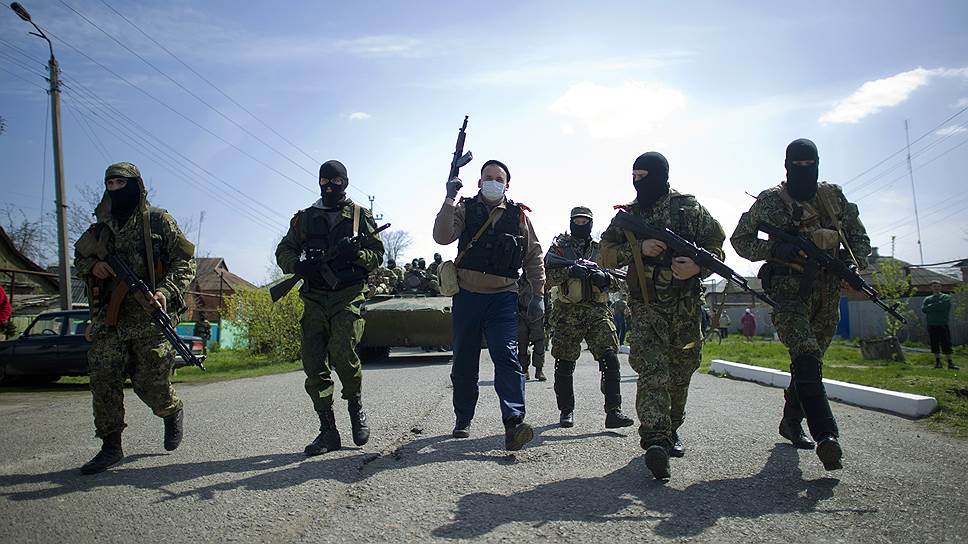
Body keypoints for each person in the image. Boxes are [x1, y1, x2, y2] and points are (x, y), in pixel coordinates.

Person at [731, 138, 871, 471]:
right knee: (806, 354)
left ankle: (791, 421)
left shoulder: (833, 198)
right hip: (788, 294)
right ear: (787, 166)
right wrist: (776, 251)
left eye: (810, 165)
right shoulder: (769, 202)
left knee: (808, 363)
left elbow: (859, 239)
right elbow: (740, 240)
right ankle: (827, 436)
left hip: (826, 294)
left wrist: (853, 266)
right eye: (798, 166)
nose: (804, 171)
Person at [599, 151, 725, 480]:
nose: (638, 181)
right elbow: (606, 254)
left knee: (681, 373)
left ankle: (671, 429)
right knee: (653, 371)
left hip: (685, 306)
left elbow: (717, 243)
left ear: (661, 175)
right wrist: (637, 250)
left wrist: (698, 265)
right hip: (646, 306)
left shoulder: (688, 208)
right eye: (634, 175)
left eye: (645, 175)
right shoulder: (629, 215)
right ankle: (655, 438)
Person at [73, 162, 197, 474]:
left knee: (148, 381)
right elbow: (79, 258)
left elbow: (186, 261)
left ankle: (170, 410)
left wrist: (166, 292)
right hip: (110, 318)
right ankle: (110, 446)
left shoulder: (157, 220)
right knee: (103, 376)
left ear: (135, 185)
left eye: (120, 183)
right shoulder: (100, 228)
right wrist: (92, 267)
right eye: (110, 183)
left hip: (148, 314)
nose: (115, 188)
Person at [433, 159, 544, 451]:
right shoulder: (465, 208)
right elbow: (442, 236)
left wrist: (538, 295)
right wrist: (448, 198)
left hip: (503, 298)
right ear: (479, 182)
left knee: (507, 357)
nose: (493, 182)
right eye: (488, 177)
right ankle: (463, 418)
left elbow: (533, 256)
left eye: (498, 178)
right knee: (465, 360)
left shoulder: (519, 216)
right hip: (467, 296)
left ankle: (514, 423)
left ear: (507, 184)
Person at [275, 160, 385, 456]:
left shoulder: (360, 215)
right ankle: (328, 430)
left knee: (342, 350)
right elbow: (284, 250)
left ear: (345, 182)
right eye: (325, 181)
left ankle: (355, 406)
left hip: (347, 294)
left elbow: (377, 254)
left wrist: (357, 253)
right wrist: (298, 266)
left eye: (335, 181)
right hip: (313, 297)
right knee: (313, 363)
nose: (329, 186)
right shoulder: (305, 218)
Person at [546, 206, 634, 429]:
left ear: (592, 223)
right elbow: (548, 275)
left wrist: (604, 278)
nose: (581, 224)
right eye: (577, 221)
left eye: (586, 221)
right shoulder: (560, 248)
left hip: (598, 309)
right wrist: (569, 272)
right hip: (568, 311)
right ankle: (566, 410)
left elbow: (622, 279)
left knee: (610, 358)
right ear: (571, 221)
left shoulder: (601, 249)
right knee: (564, 362)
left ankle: (614, 411)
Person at [922, 281, 958, 370]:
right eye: (934, 286)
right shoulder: (927, 299)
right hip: (932, 324)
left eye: (938, 286)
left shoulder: (946, 297)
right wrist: (936, 305)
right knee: (934, 343)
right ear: (931, 288)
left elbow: (944, 306)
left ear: (941, 287)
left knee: (946, 343)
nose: (936, 288)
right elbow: (924, 309)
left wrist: (932, 307)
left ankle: (950, 363)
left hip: (943, 324)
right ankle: (938, 362)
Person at [517, 273, 546, 381]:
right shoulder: (518, 282)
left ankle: (539, 370)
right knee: (522, 345)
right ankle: (524, 370)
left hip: (537, 317)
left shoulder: (539, 282)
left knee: (539, 345)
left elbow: (545, 299)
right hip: (522, 316)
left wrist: (548, 319)